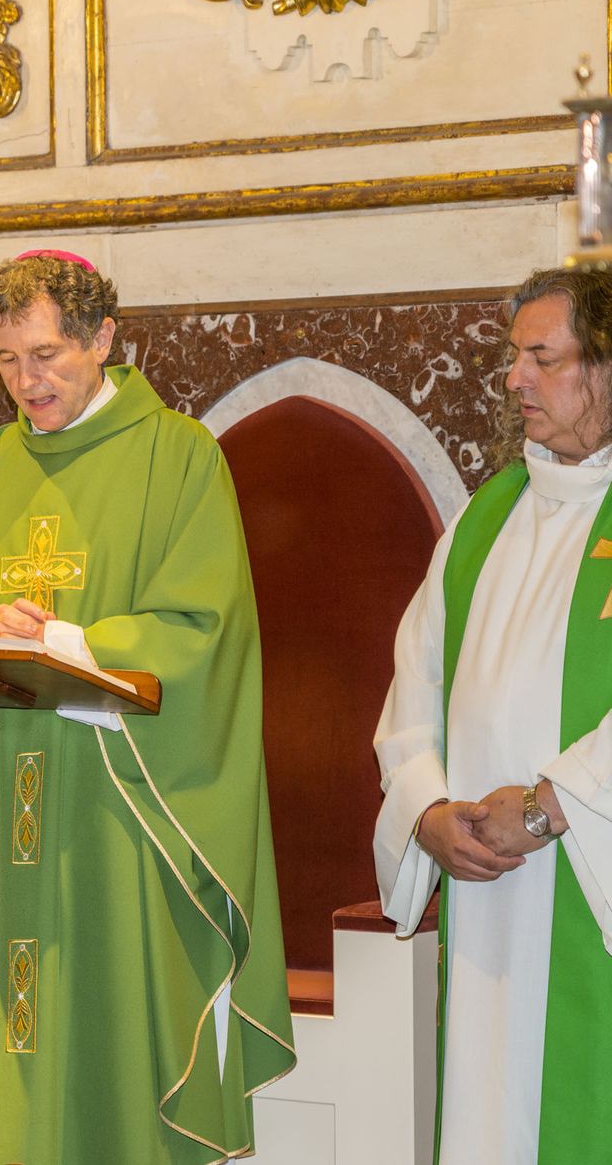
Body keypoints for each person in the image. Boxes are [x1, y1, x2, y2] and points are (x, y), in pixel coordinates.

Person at [0, 250, 295, 1164]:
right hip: (0, 811)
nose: (24, 382)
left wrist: (66, 643)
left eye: (45, 355)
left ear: (104, 339)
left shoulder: (179, 458)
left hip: (125, 814)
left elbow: (203, 629)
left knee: (111, 1047)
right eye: (5, 361)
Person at [373, 266, 612, 1164]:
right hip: (488, 905)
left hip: (588, 884)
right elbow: (412, 691)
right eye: (514, 358)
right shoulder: (483, 519)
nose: (515, 379)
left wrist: (552, 805)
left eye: (542, 358)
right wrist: (430, 810)